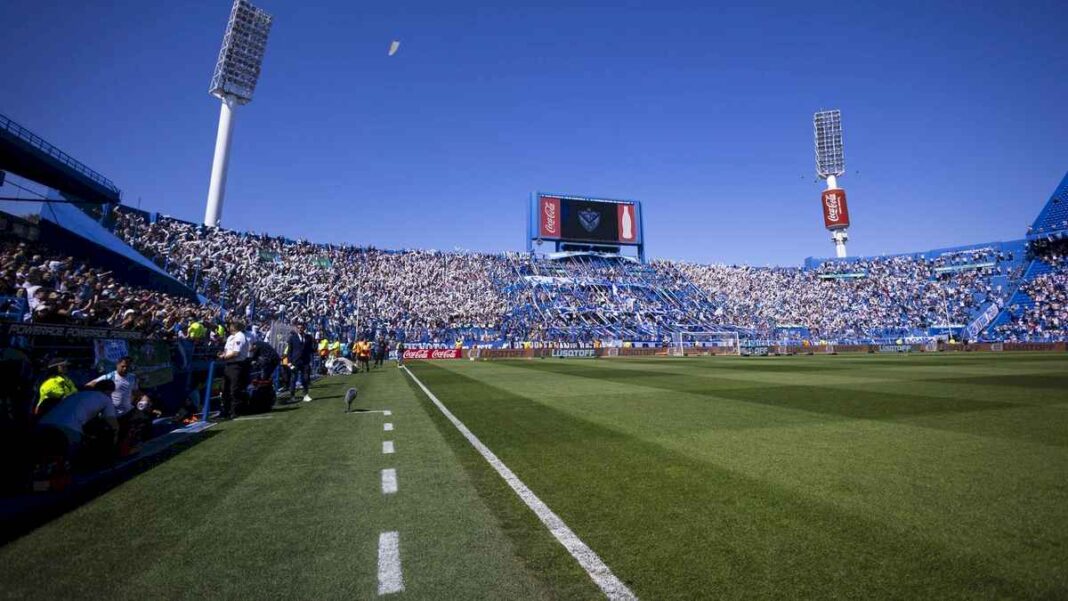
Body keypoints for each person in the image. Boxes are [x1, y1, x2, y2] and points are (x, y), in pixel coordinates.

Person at [36, 379, 119, 464]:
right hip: (67, 430)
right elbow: (112, 423)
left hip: (42, 425)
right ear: (108, 391)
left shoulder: (76, 394)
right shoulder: (105, 399)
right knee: (70, 461)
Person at [217, 320, 250, 419]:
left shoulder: (240, 336)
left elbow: (236, 353)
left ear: (234, 327)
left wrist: (224, 357)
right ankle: (226, 410)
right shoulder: (231, 337)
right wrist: (222, 354)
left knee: (234, 389)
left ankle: (234, 410)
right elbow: (227, 350)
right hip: (229, 364)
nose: (229, 327)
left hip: (236, 365)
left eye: (230, 326)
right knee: (225, 388)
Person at [286, 322, 315, 402]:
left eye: (301, 327)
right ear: (296, 328)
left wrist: (315, 350)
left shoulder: (308, 337)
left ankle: (305, 395)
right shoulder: (292, 338)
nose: (299, 329)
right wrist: (289, 362)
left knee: (305, 379)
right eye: (298, 328)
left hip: (305, 361)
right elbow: (289, 351)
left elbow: (311, 349)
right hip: (295, 361)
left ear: (304, 328)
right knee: (293, 379)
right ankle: (292, 396)